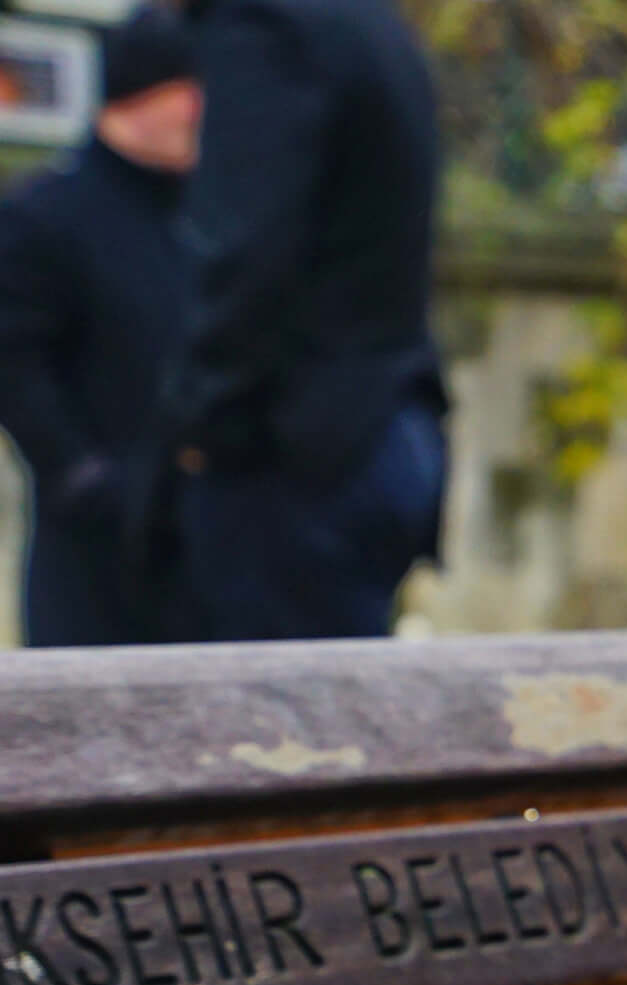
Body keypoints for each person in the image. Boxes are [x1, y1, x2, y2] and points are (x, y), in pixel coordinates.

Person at [157, 0, 447, 642]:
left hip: (296, 445)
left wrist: (202, 423)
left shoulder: (265, 26)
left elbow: (245, 251)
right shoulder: (365, 23)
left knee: (278, 724)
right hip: (383, 420)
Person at [0, 9, 199, 648]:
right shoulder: (44, 215)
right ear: (148, 95)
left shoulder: (207, 217)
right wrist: (83, 479)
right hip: (93, 555)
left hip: (202, 542)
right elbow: (16, 362)